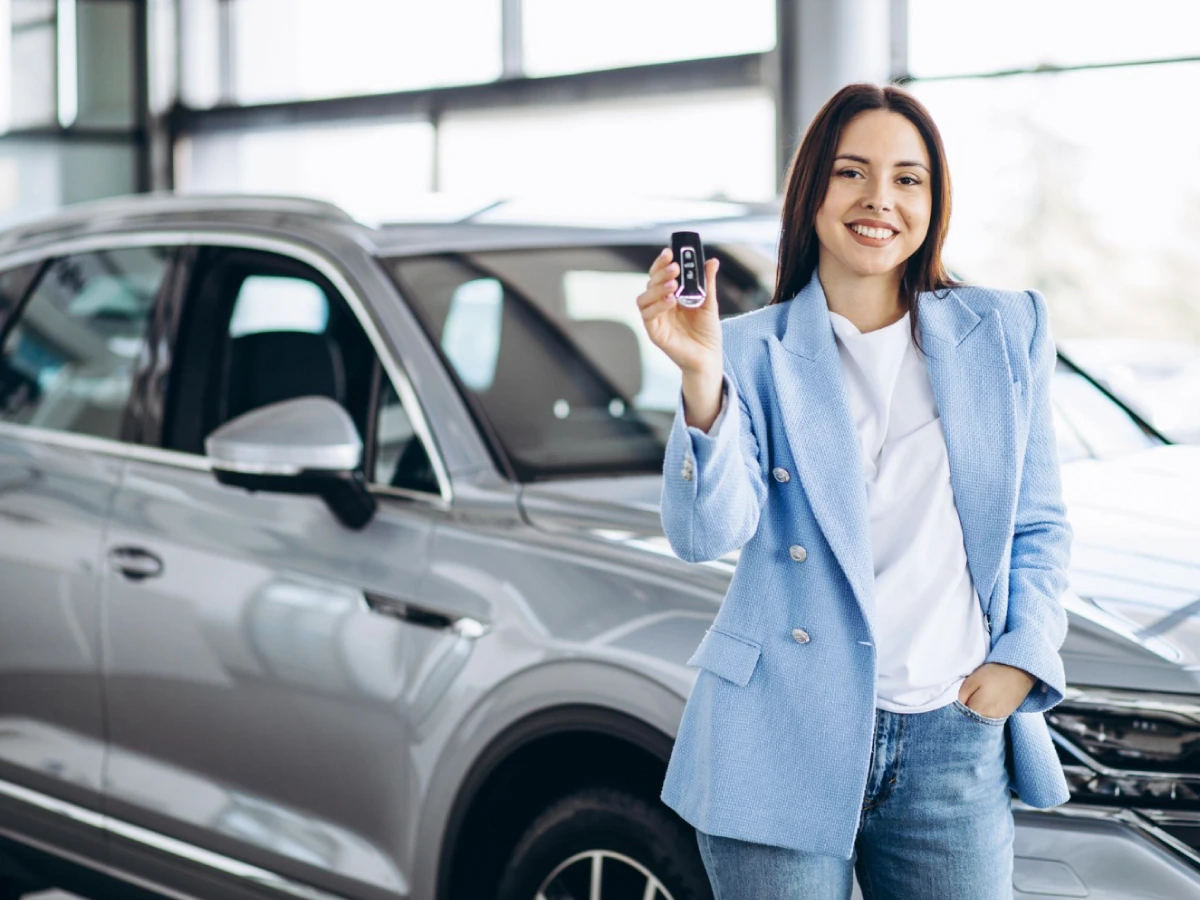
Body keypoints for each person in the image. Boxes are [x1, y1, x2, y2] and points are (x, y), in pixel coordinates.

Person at [635, 82, 1072, 900]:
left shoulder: (1006, 330)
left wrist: (1018, 660)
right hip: (778, 728)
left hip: (953, 734)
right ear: (813, 195)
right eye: (852, 173)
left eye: (909, 178)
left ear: (934, 202)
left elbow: (1039, 525)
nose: (880, 199)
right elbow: (704, 534)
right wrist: (701, 378)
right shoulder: (746, 351)